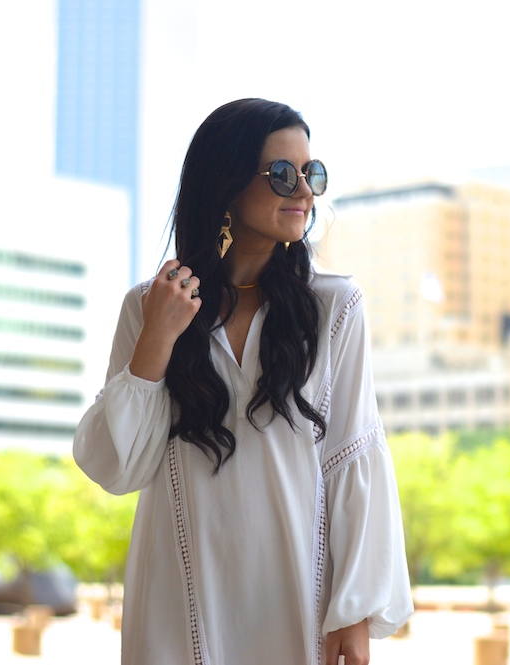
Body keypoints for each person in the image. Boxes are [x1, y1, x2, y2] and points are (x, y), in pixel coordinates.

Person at [73, 98, 413, 665]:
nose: (304, 191)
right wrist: (158, 337)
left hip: (295, 596)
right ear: (225, 182)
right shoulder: (148, 305)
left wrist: (352, 612)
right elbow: (118, 467)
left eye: (313, 174)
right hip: (175, 601)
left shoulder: (335, 308)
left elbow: (353, 455)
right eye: (283, 174)